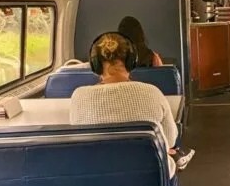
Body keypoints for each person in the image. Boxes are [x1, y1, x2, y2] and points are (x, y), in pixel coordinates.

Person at [71, 32, 194, 170]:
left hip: (95, 175)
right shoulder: (152, 92)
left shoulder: (78, 97)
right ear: (131, 61)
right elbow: (170, 139)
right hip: (147, 174)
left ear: (95, 64)